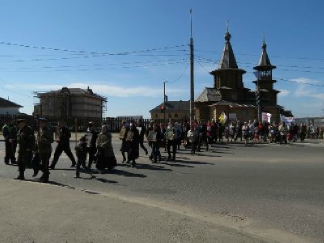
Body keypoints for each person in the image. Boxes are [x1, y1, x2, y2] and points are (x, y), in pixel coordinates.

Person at [35, 117, 53, 183]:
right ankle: (45, 174)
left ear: (44, 123)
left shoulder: (48, 130)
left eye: (40, 122)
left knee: (45, 164)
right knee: (38, 163)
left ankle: (46, 178)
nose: (39, 124)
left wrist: (42, 140)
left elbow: (51, 140)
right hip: (40, 150)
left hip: (46, 150)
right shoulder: (40, 129)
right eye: (38, 122)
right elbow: (38, 139)